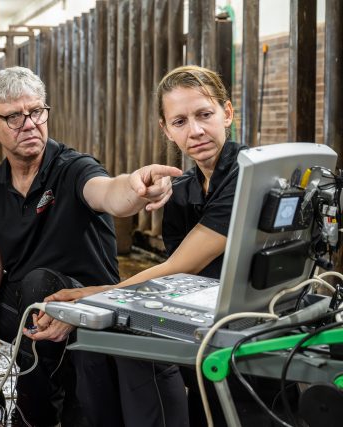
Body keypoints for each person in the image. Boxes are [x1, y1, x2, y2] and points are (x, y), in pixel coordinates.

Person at [0, 66, 185, 426]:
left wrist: (136, 189)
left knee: (39, 284)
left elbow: (110, 193)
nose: (29, 124)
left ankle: (34, 416)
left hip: (84, 309)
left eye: (36, 112)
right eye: (14, 116)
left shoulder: (72, 168)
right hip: (29, 308)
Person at [32, 65, 279, 427]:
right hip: (202, 316)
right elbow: (179, 283)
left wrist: (91, 297)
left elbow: (180, 267)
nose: (195, 130)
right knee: (106, 333)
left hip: (246, 324)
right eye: (179, 121)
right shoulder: (182, 193)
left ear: (227, 114)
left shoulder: (246, 175)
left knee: (115, 327)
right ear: (166, 130)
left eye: (204, 115)